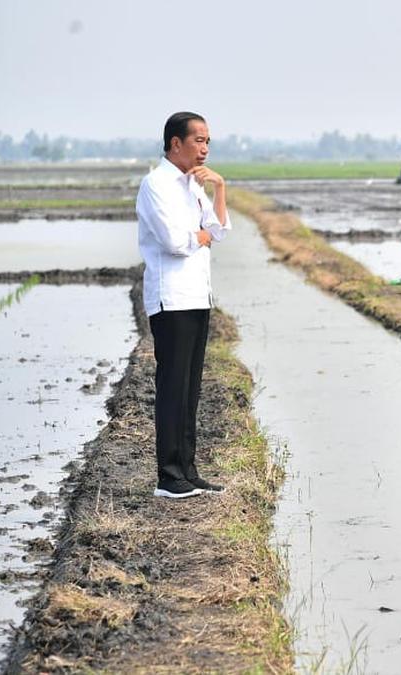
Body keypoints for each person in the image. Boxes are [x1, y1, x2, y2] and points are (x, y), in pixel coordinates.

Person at [136, 111, 229, 499]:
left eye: (208, 141)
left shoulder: (194, 184)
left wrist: (219, 188)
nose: (205, 148)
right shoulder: (155, 184)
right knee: (173, 386)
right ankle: (169, 477)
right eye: (199, 141)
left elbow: (219, 230)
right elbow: (175, 242)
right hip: (170, 298)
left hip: (197, 295)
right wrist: (203, 235)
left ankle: (188, 471)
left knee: (190, 388)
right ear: (176, 143)